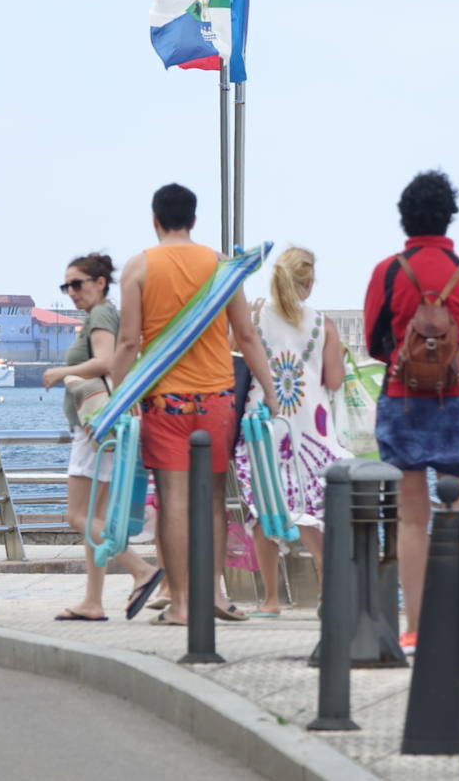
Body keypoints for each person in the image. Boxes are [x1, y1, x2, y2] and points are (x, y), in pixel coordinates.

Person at [110, 183, 279, 626]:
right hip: (219, 399)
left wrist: (117, 400)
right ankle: (214, 596)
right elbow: (246, 335)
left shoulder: (139, 268)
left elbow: (128, 342)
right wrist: (272, 391)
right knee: (213, 501)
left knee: (173, 502)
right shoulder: (222, 266)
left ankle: (182, 605)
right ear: (194, 220)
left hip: (165, 402)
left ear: (154, 219)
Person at [363, 169, 459, 655]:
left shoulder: (388, 272)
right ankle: (451, 625)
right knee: (458, 516)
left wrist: (408, 363)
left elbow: (375, 340)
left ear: (404, 219)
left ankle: (414, 627)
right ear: (449, 215)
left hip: (403, 400)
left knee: (411, 522)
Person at [41, 253, 163, 621]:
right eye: (66, 286)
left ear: (99, 283)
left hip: (94, 425)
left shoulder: (101, 315)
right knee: (94, 514)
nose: (71, 292)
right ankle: (93, 601)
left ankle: (140, 569)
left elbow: (107, 362)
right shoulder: (104, 314)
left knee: (77, 515)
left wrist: (60, 372)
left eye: (77, 284)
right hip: (105, 425)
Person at [231, 247, 349, 615]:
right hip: (311, 432)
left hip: (264, 426)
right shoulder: (322, 324)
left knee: (262, 510)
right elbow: (334, 380)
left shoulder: (254, 321)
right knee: (314, 513)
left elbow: (231, 360)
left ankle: (269, 600)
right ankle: (327, 587)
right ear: (308, 283)